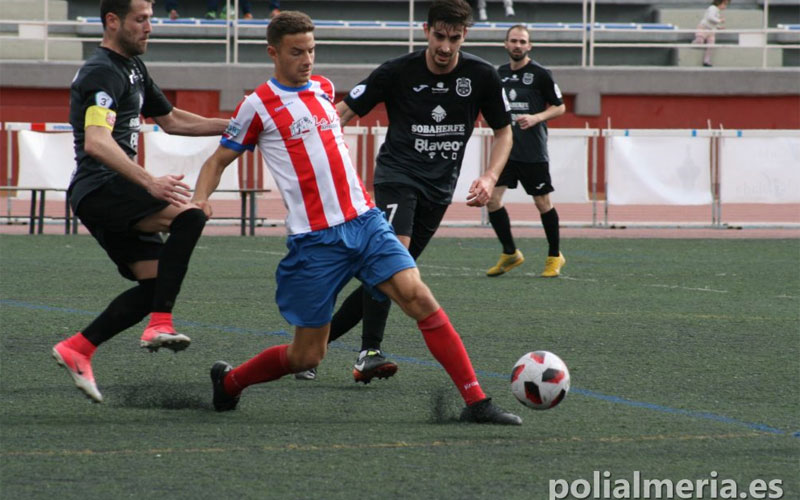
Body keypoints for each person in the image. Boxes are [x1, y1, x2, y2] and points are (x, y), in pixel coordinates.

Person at [192, 10, 521, 425]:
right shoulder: (256, 106)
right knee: (306, 355)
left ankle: (476, 401)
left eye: (312, 50)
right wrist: (200, 199)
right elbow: (218, 160)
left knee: (418, 296)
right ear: (273, 52)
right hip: (315, 240)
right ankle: (231, 382)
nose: (307, 59)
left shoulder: (324, 89)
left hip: (365, 222)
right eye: (297, 52)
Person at [294, 0, 513, 382]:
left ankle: (309, 351)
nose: (446, 47)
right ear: (426, 30)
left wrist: (491, 177)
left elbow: (504, 131)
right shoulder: (397, 71)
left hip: (439, 189)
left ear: (466, 36)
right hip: (397, 176)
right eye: (440, 36)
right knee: (394, 259)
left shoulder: (481, 75)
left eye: (455, 38)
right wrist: (318, 157)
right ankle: (369, 353)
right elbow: (341, 112)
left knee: (391, 276)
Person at [51, 0, 229, 403]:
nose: (150, 27)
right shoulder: (101, 71)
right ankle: (160, 324)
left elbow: (172, 120)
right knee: (190, 216)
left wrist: (237, 127)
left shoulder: (132, 68)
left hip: (109, 191)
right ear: (112, 21)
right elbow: (97, 143)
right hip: (102, 187)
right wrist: (149, 181)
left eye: (151, 18)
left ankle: (78, 348)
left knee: (155, 283)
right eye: (141, 19)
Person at [484, 25, 566, 279]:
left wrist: (537, 117)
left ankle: (554, 256)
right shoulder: (498, 74)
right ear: (505, 44)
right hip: (506, 150)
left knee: (542, 202)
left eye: (522, 41)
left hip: (532, 151)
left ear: (529, 46)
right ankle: (510, 253)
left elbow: (560, 107)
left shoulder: (541, 74)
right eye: (513, 41)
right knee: (492, 199)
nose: (517, 45)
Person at [693, 0, 729, 67]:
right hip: (704, 28)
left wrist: (719, 27)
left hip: (711, 31)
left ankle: (706, 61)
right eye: (724, 4)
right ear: (719, 3)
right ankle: (694, 43)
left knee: (711, 46)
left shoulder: (718, 12)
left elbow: (713, 23)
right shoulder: (712, 8)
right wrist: (720, 20)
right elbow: (710, 18)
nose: (725, 7)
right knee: (699, 40)